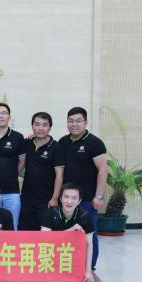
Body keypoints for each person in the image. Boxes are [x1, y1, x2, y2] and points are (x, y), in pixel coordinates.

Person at [29, 182, 106, 282]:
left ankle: (67, 278)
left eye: (74, 198)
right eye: (66, 197)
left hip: (71, 259)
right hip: (49, 257)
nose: (69, 201)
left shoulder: (85, 216)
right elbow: (45, 240)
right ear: (60, 198)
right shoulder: (50, 213)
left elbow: (89, 245)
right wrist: (71, 230)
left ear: (79, 201)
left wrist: (87, 271)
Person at [58, 107, 108, 270]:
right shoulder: (63, 142)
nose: (74, 124)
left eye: (78, 121)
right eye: (71, 121)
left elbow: (103, 170)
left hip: (86, 199)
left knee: (88, 234)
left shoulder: (94, 143)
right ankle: (70, 267)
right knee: (67, 233)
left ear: (86, 122)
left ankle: (90, 269)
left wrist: (99, 197)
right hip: (66, 200)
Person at [19, 112, 64, 230]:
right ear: (32, 126)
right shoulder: (27, 143)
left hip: (47, 200)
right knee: (26, 234)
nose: (40, 128)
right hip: (27, 199)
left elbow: (59, 175)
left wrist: (55, 198)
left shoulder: (56, 147)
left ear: (50, 127)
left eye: (44, 125)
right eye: (37, 124)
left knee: (45, 234)